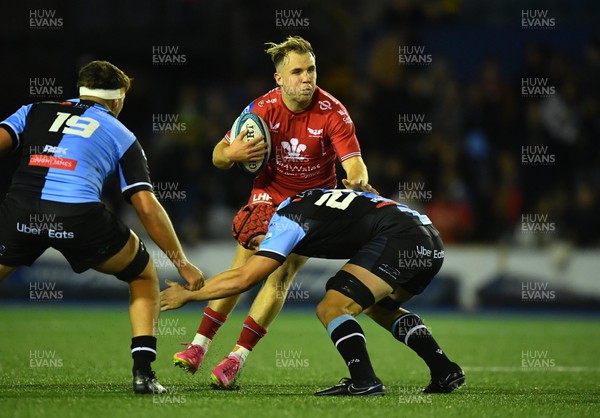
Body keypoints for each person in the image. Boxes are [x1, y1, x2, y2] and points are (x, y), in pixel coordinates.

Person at [173, 36, 376, 388]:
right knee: (244, 269)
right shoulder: (261, 109)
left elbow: (356, 166)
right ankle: (198, 346)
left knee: (280, 276)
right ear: (279, 78)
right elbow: (218, 155)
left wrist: (356, 182)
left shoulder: (333, 112)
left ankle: (235, 359)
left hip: (312, 205)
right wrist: (232, 154)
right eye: (297, 71)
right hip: (269, 195)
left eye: (311, 69)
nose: (307, 78)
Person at [0, 60, 204, 394]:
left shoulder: (34, 109)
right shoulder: (121, 133)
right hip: (78, 217)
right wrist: (181, 262)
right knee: (142, 275)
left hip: (20, 211)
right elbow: (145, 205)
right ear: (116, 100)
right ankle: (143, 374)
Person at [161, 188, 465, 396]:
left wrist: (188, 295)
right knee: (379, 307)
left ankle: (364, 380)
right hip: (429, 240)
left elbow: (244, 278)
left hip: (399, 238)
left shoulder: (282, 224)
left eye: (254, 243)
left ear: (262, 226)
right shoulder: (303, 202)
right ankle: (444, 370)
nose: (259, 250)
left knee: (332, 307)